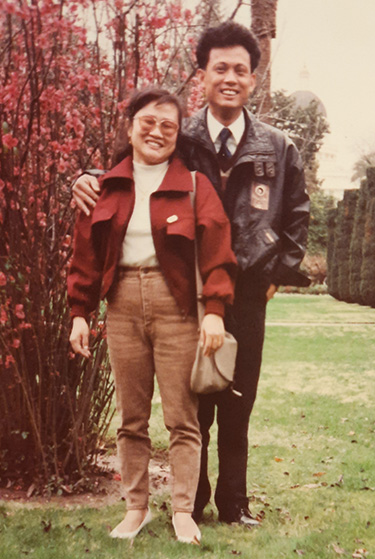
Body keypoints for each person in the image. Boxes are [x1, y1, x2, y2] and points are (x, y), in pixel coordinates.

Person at [72, 21, 310, 526]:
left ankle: (234, 502)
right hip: (185, 285)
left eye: (240, 70)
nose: (230, 78)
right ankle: (192, 502)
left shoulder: (278, 146)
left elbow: (297, 216)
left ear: (254, 80)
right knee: (194, 399)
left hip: (246, 291)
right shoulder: (183, 134)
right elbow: (132, 166)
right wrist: (86, 178)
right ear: (200, 75)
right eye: (219, 68)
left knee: (238, 397)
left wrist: (277, 275)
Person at [67, 87, 237, 544]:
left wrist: (214, 311)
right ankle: (136, 508)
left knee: (184, 418)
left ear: (178, 134)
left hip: (176, 306)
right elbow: (85, 255)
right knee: (131, 419)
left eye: (168, 125)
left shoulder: (194, 186)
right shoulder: (105, 186)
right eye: (148, 122)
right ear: (130, 127)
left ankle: (183, 510)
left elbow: (218, 252)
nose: (157, 131)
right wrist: (79, 313)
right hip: (121, 303)